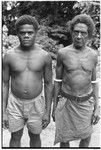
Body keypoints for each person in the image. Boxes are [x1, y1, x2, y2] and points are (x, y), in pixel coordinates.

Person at [2, 15, 53, 148]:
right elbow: (4, 83)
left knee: (35, 135)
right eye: (22, 33)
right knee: (15, 135)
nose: (26, 35)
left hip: (37, 102)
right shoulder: (9, 56)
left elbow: (48, 83)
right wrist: (3, 111)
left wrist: (47, 111)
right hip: (14, 103)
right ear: (17, 33)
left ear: (36, 33)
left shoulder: (44, 56)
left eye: (30, 33)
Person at [52, 14, 100, 147]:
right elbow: (57, 81)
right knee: (64, 139)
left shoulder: (93, 55)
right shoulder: (63, 53)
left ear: (89, 34)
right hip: (67, 103)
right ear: (72, 32)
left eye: (83, 33)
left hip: (86, 103)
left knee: (86, 137)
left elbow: (95, 83)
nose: (79, 36)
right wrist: (54, 107)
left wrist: (97, 108)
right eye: (76, 32)